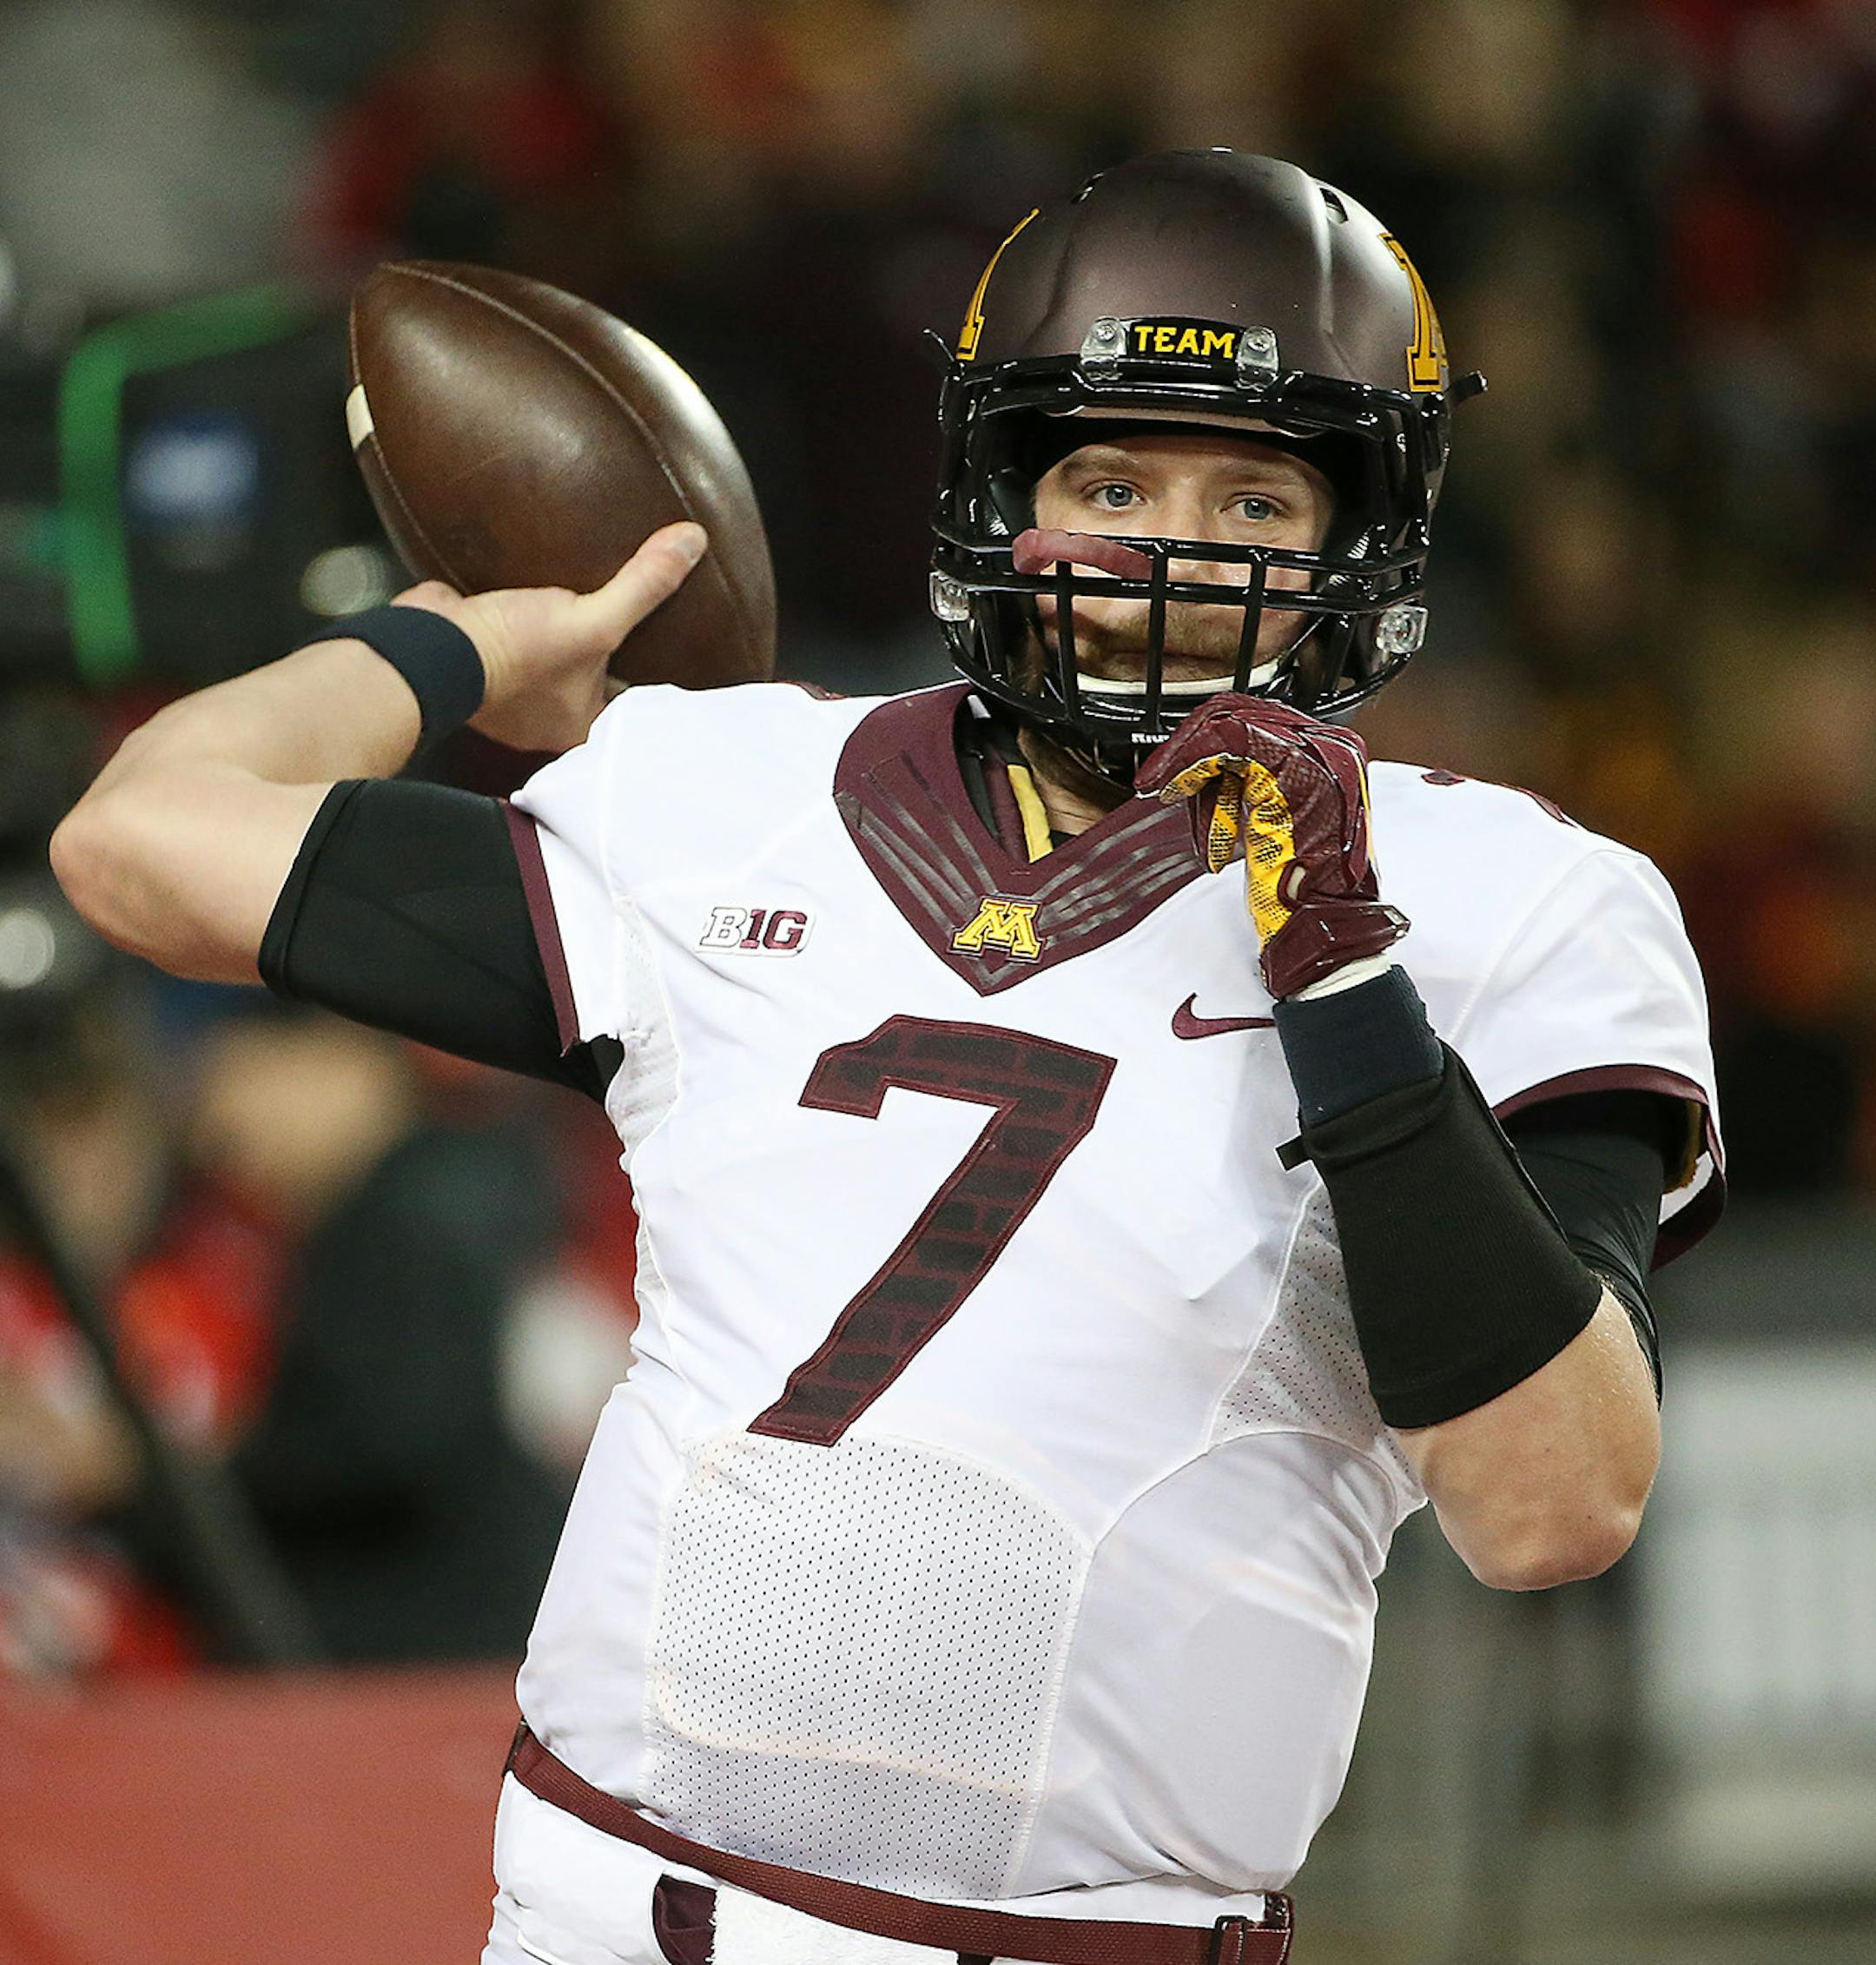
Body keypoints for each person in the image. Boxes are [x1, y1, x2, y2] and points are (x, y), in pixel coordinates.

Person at [51, 151, 1720, 1965]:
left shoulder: (1509, 902)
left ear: (1362, 539)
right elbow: (139, 842)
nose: (1171, 552)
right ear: (1006, 496)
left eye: (1254, 494)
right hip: (609, 1913)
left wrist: (1341, 979)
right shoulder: (732, 797)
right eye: (1112, 482)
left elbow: (1554, 1505)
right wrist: (453, 643)